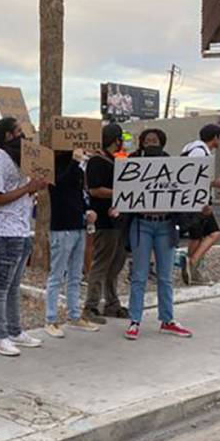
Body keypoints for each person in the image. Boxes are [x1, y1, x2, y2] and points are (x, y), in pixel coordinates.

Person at [0, 117, 47, 357]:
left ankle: (14, 330)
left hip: (21, 227)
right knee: (1, 285)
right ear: (8, 135)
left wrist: (32, 190)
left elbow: (20, 191)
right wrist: (27, 188)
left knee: (14, 284)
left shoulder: (19, 158)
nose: (23, 137)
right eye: (18, 132)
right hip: (4, 229)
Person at [124, 129, 194, 340]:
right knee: (139, 275)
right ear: (141, 143)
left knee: (165, 276)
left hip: (165, 225)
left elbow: (183, 191)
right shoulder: (132, 162)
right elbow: (124, 190)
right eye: (147, 140)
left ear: (162, 143)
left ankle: (167, 320)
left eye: (154, 140)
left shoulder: (171, 165)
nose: (150, 143)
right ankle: (134, 320)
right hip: (141, 224)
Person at [44, 148, 100, 338]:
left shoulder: (77, 167)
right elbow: (58, 185)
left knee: (75, 275)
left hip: (78, 225)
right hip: (62, 228)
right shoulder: (55, 166)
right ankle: (50, 319)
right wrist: (75, 162)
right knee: (57, 275)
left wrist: (87, 210)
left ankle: (74, 315)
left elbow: (78, 193)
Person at [82, 123, 129, 324]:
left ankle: (112, 303)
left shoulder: (114, 161)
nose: (122, 143)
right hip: (104, 220)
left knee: (116, 265)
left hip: (118, 221)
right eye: (121, 139)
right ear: (115, 140)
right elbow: (94, 190)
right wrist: (120, 193)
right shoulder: (97, 162)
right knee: (101, 264)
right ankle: (91, 306)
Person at [180, 124, 220, 286]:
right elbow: (194, 176)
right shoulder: (199, 152)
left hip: (192, 200)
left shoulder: (191, 148)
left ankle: (191, 270)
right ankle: (192, 263)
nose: (219, 141)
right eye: (219, 137)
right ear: (214, 137)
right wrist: (216, 183)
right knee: (213, 233)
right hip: (198, 201)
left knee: (197, 235)